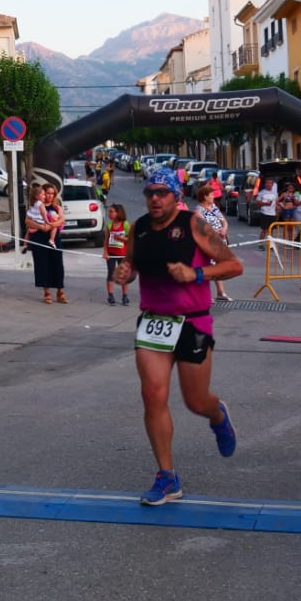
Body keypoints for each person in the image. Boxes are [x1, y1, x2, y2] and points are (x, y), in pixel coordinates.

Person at [112, 167, 241, 506]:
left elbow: (233, 265)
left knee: (195, 401)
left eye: (162, 193)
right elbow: (131, 265)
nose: (155, 199)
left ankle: (217, 415)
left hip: (192, 322)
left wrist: (196, 273)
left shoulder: (194, 225)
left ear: (176, 196)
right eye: (150, 193)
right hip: (154, 321)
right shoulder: (139, 228)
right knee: (152, 395)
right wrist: (125, 272)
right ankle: (167, 477)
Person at [26, 182, 67, 302]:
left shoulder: (57, 207)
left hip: (53, 238)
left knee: (57, 264)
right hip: (39, 237)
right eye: (47, 193)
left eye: (52, 193)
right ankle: (46, 292)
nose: (49, 196)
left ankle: (60, 291)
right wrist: (41, 227)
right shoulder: (37, 206)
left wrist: (52, 225)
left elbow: (62, 220)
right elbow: (27, 221)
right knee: (42, 264)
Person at [193, 181, 232, 302]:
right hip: (208, 242)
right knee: (207, 267)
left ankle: (221, 292)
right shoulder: (198, 211)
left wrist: (224, 229)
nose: (214, 196)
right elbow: (204, 227)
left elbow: (223, 220)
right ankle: (204, 294)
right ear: (205, 197)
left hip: (219, 240)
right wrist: (216, 232)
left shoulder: (214, 207)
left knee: (218, 266)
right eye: (211, 194)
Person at [103, 202, 131, 305]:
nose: (109, 214)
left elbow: (130, 239)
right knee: (111, 273)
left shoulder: (125, 224)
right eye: (109, 212)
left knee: (123, 274)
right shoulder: (109, 225)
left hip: (123, 254)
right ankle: (110, 295)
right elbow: (106, 240)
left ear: (118, 213)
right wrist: (105, 252)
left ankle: (125, 296)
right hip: (111, 254)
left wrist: (120, 238)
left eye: (111, 212)